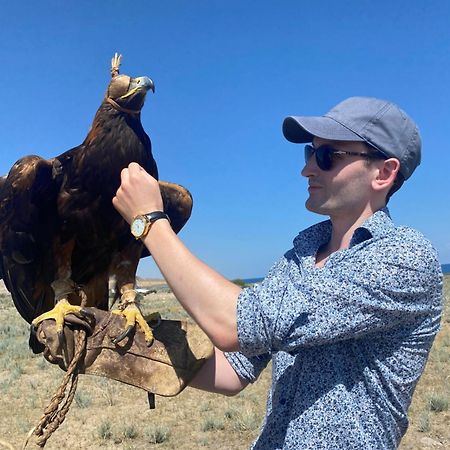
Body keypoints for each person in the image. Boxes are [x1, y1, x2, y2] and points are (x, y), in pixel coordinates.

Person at [112, 96, 443, 450]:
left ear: (384, 173)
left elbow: (234, 324)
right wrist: (125, 351)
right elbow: (233, 368)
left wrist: (149, 221)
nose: (308, 169)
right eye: (309, 154)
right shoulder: (300, 255)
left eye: (327, 156)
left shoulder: (403, 257)